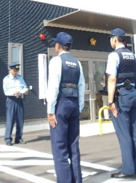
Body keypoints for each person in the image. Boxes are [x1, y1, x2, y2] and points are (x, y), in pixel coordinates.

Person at [46, 32, 85, 183]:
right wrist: (80, 107)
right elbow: (81, 86)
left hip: (61, 104)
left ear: (58, 46)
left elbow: (53, 87)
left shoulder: (56, 61)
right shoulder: (77, 63)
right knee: (73, 146)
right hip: (74, 104)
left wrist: (50, 111)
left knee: (60, 146)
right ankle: (77, 180)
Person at [106, 28, 136, 178]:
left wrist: (110, 101)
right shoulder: (132, 55)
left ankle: (128, 170)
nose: (110, 42)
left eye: (110, 39)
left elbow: (112, 79)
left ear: (115, 39)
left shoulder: (114, 55)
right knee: (135, 131)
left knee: (124, 133)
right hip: (133, 94)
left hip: (122, 96)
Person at [3, 63, 29, 146]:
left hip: (19, 100)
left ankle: (18, 138)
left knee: (20, 120)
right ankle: (8, 139)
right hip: (11, 100)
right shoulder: (6, 79)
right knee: (10, 120)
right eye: (14, 71)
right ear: (9, 69)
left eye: (16, 71)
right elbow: (6, 91)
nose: (15, 72)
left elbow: (25, 87)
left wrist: (26, 90)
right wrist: (14, 92)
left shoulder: (20, 78)